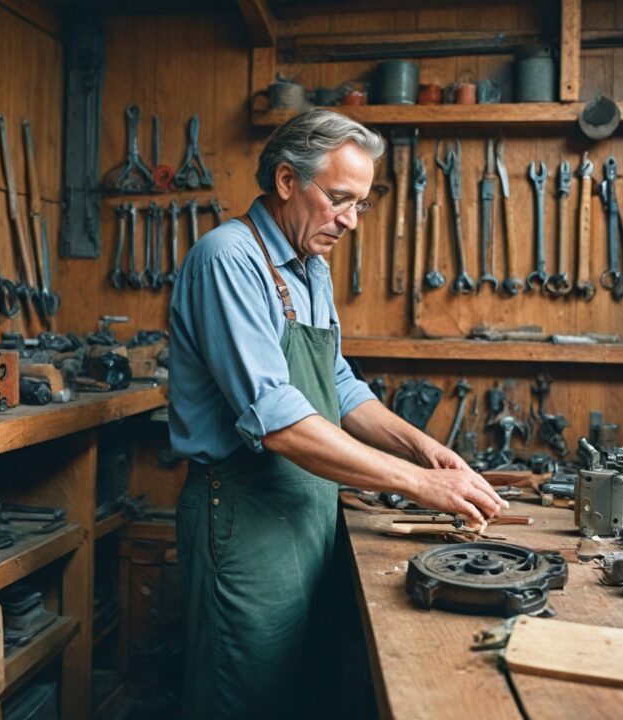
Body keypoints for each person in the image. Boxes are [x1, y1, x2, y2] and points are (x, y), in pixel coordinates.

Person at [168, 109, 506, 719]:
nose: (351, 220)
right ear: (286, 181)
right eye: (340, 199)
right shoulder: (228, 260)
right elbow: (280, 420)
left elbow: (338, 386)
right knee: (242, 697)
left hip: (307, 514)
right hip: (244, 522)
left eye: (362, 204)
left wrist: (420, 446)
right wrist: (422, 485)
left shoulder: (312, 267)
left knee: (298, 690)